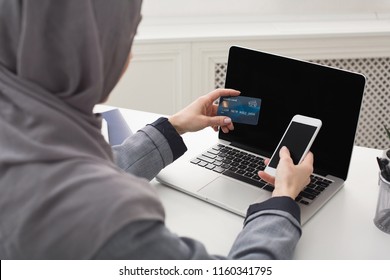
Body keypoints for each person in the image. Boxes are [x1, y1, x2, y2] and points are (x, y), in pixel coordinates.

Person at [0, 0, 313, 259]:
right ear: (90, 48)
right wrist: (282, 200)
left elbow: (66, 175)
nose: (128, 54)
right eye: (126, 35)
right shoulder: (108, 218)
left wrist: (172, 127)